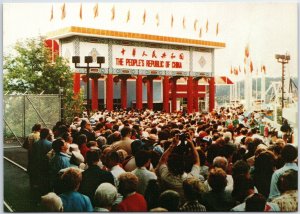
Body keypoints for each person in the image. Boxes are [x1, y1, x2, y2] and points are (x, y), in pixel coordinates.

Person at [156, 134, 200, 203]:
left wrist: (173, 144)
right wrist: (192, 145)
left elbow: (162, 160)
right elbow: (197, 161)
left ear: (169, 166)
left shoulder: (165, 176)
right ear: (184, 165)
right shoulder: (190, 179)